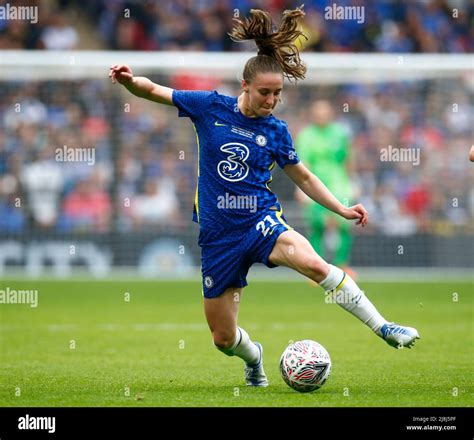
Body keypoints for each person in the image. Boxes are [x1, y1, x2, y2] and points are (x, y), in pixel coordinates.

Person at [109, 7, 420, 388]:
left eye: (277, 93)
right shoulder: (210, 108)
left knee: (315, 264)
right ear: (244, 85)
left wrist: (340, 208)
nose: (272, 100)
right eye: (265, 92)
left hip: (261, 221)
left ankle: (383, 326)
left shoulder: (276, 131)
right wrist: (129, 83)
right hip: (218, 235)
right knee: (223, 339)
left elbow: (302, 175)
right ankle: (254, 357)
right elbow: (156, 90)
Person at [295, 99, 356, 277]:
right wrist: (300, 187)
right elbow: (302, 162)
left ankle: (342, 264)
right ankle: (317, 268)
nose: (321, 115)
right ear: (313, 114)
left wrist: (354, 181)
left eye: (324, 111)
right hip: (314, 184)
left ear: (330, 113)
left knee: (344, 225)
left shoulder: (340, 133)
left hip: (339, 183)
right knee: (317, 226)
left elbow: (348, 159)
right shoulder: (306, 135)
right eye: (318, 112)